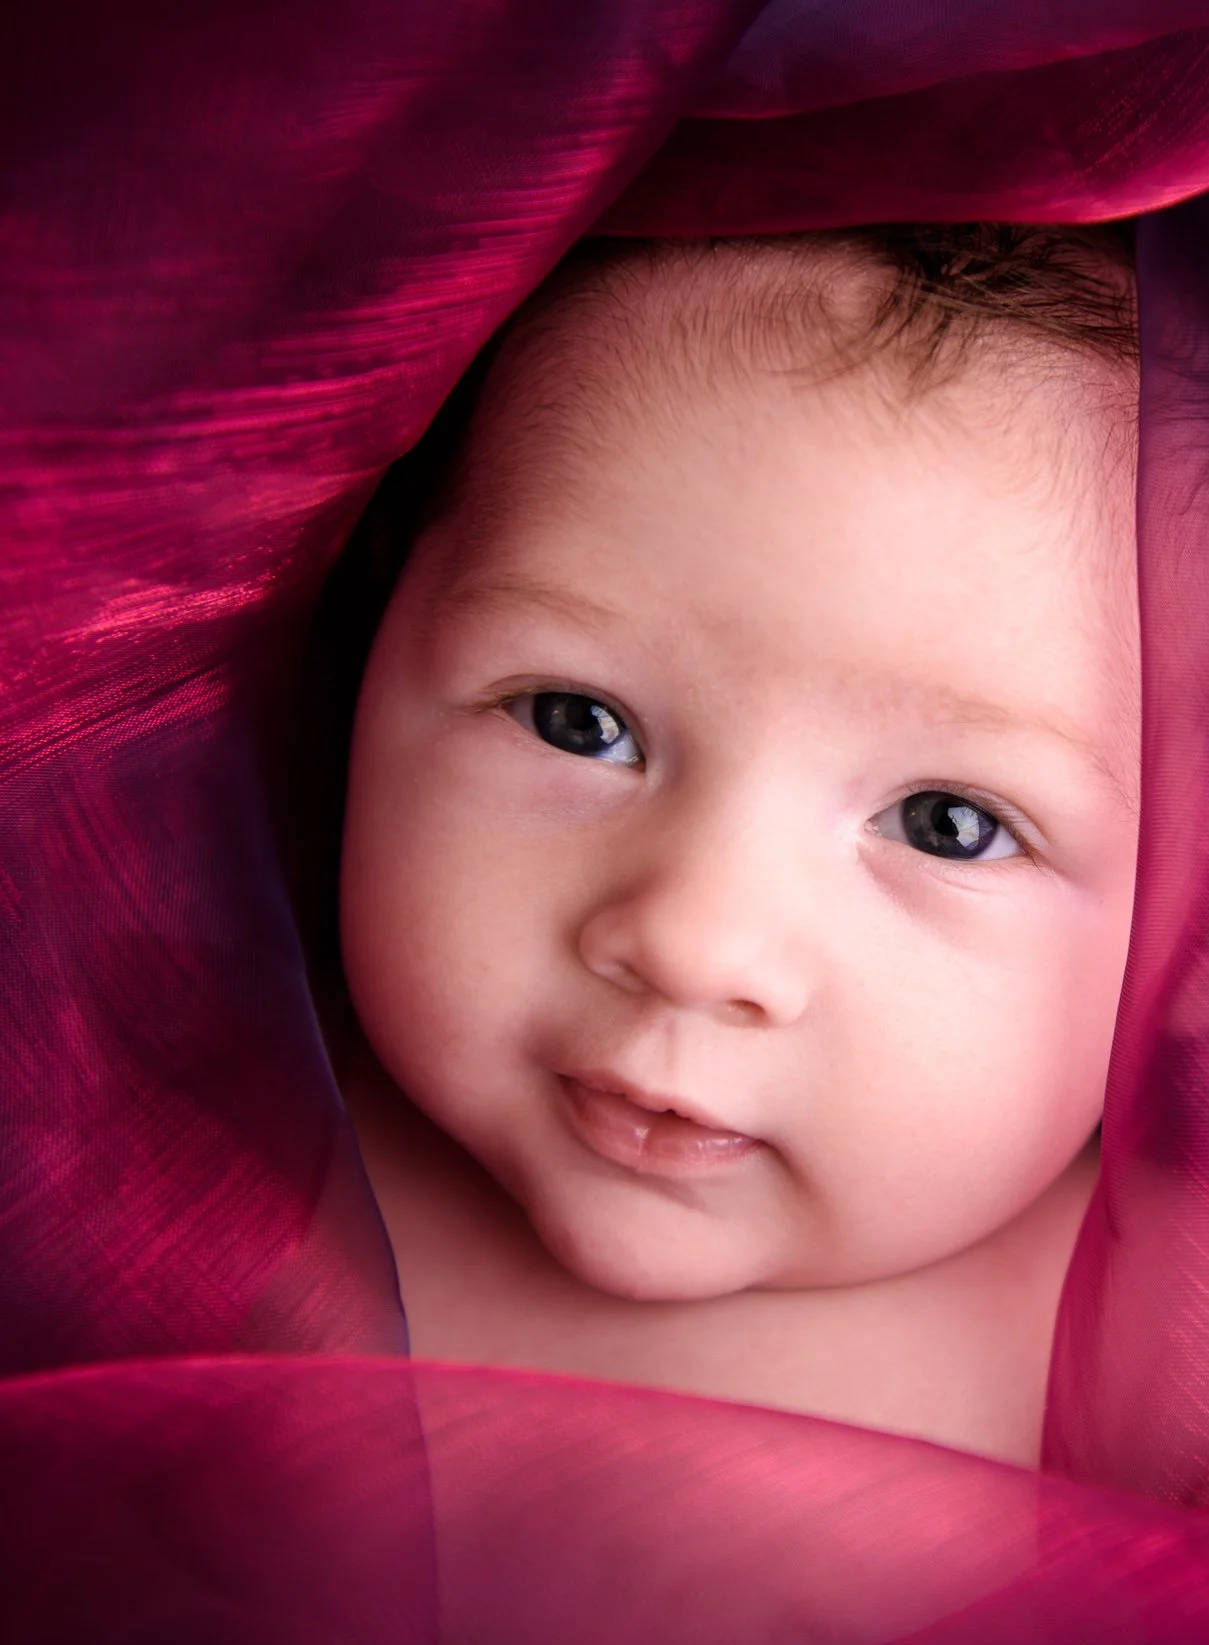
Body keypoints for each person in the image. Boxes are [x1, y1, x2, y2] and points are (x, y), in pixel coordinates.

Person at [308, 226, 1143, 1466]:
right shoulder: (167, 1152)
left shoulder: (1173, 1359)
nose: (694, 943)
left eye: (946, 824)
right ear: (371, 624)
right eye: (575, 724)